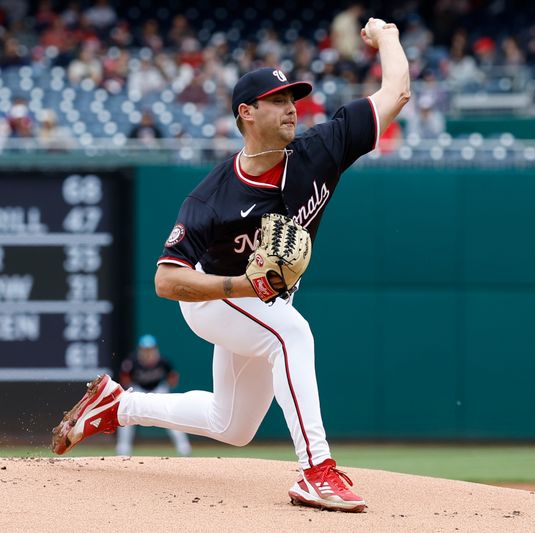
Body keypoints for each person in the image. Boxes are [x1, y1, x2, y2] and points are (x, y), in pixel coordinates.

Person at [51, 17, 410, 514]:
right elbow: (166, 280)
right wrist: (241, 284)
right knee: (292, 335)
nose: (292, 109)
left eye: (293, 99)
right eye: (279, 101)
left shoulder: (321, 149)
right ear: (247, 113)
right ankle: (318, 472)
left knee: (232, 426)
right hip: (214, 300)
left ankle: (119, 404)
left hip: (265, 300)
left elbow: (396, 91)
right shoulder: (213, 196)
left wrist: (386, 36)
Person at [115, 335, 192, 456]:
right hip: (139, 389)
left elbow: (173, 378)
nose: (148, 352)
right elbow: (125, 379)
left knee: (171, 416)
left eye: (150, 349)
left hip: (158, 389)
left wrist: (168, 386)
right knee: (126, 414)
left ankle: (184, 448)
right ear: (140, 350)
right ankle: (123, 450)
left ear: (155, 349)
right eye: (145, 350)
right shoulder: (132, 362)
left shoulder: (163, 361)